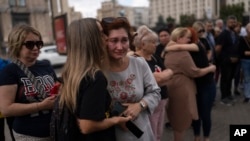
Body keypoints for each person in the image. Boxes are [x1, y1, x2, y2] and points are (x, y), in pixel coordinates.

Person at [55, 18, 131, 141]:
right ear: (91, 40)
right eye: (101, 33)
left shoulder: (73, 72)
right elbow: (87, 126)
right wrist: (116, 120)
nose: (106, 38)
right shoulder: (95, 77)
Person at [101, 17, 161, 141]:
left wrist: (140, 105)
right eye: (114, 40)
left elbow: (155, 92)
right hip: (113, 136)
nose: (120, 46)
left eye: (124, 40)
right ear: (104, 41)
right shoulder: (98, 71)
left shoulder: (139, 63)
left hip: (142, 134)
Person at [0, 24, 58, 140]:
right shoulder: (10, 71)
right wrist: (40, 106)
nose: (36, 48)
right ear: (17, 45)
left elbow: (56, 87)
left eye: (38, 44)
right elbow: (6, 109)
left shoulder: (46, 65)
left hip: (56, 130)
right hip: (29, 135)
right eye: (30, 44)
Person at [164, 27, 216, 141]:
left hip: (200, 85)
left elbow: (178, 46)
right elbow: (194, 72)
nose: (189, 40)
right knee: (192, 116)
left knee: (200, 115)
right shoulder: (183, 53)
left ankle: (202, 138)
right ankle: (200, 137)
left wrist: (170, 45)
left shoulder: (192, 47)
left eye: (190, 37)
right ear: (179, 37)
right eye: (188, 38)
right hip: (194, 85)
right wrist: (211, 68)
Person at [133, 25, 173, 141]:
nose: (156, 45)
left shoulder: (154, 57)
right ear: (143, 44)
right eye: (153, 42)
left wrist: (163, 76)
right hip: (150, 104)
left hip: (162, 100)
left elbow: (168, 72)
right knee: (151, 133)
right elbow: (158, 79)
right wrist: (164, 76)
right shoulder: (137, 60)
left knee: (159, 132)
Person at [191, 22, 217, 141]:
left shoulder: (204, 41)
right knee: (196, 113)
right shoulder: (190, 45)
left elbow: (209, 52)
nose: (201, 33)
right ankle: (197, 136)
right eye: (199, 31)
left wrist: (207, 62)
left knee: (206, 113)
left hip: (207, 83)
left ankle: (206, 138)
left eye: (202, 31)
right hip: (195, 82)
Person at [215, 15, 240, 106]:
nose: (233, 24)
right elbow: (218, 49)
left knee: (230, 79)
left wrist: (236, 57)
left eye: (234, 22)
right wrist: (224, 59)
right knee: (225, 79)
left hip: (235, 61)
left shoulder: (235, 33)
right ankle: (223, 97)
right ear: (227, 23)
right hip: (226, 61)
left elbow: (236, 46)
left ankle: (229, 94)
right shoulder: (223, 34)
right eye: (231, 22)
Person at [238, 23, 250, 103]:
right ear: (246, 30)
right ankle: (247, 95)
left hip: (246, 60)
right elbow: (242, 52)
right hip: (245, 61)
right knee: (247, 78)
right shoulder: (242, 39)